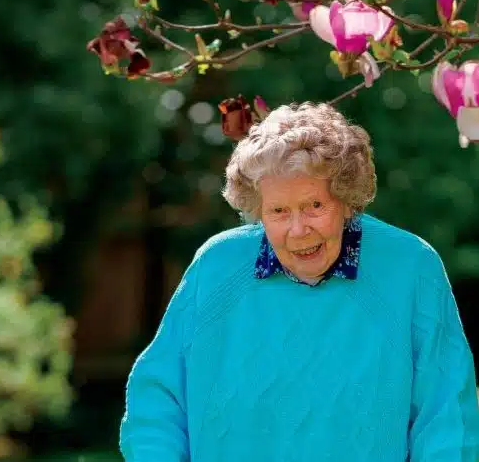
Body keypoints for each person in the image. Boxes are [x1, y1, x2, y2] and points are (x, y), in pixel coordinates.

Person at [119, 102, 479, 461]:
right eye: (278, 211)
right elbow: (158, 402)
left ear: (347, 199)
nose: (298, 229)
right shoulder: (217, 267)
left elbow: (447, 422)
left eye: (314, 206)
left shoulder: (409, 268)